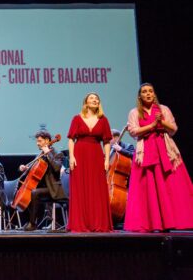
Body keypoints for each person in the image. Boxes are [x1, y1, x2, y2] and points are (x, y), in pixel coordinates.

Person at [124, 83, 193, 232]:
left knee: (169, 186)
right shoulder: (135, 112)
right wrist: (152, 125)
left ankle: (171, 221)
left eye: (150, 91)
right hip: (146, 151)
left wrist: (161, 122)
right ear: (140, 96)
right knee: (147, 188)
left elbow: (173, 129)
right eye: (144, 92)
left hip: (164, 149)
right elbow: (134, 131)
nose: (148, 94)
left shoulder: (164, 109)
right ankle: (151, 223)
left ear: (154, 94)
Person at [67, 92, 113, 232]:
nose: (95, 100)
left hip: (96, 154)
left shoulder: (103, 120)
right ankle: (81, 223)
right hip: (80, 154)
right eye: (92, 98)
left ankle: (98, 223)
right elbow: (71, 139)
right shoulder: (77, 118)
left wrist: (106, 159)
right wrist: (71, 157)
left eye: (97, 99)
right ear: (86, 103)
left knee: (96, 189)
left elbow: (106, 141)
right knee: (81, 188)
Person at [20, 131, 67, 231]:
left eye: (40, 141)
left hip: (54, 188)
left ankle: (33, 223)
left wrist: (48, 153)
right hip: (44, 188)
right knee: (28, 192)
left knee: (34, 192)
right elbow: (31, 170)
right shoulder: (40, 155)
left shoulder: (58, 154)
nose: (37, 143)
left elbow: (57, 168)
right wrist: (24, 168)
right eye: (37, 141)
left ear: (47, 141)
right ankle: (31, 221)